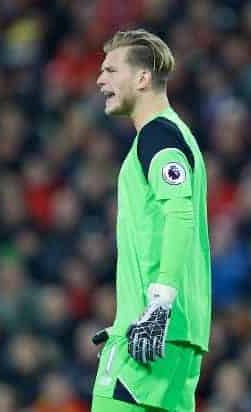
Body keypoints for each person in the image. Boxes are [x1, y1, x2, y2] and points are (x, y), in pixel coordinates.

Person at [91, 29, 212, 412]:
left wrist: (157, 305)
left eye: (111, 69)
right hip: (178, 339)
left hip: (147, 336)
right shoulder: (178, 136)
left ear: (142, 78)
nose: (100, 79)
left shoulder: (158, 137)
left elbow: (179, 215)